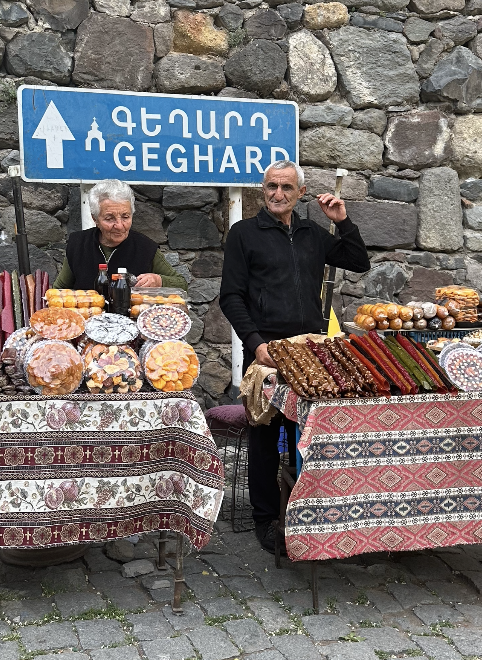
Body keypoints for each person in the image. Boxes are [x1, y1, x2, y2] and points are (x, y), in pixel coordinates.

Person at [220, 160, 371, 553]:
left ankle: (314, 514)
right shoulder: (244, 234)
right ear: (263, 189)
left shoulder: (311, 232)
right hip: (269, 350)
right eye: (271, 186)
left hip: (309, 349)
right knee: (266, 435)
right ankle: (266, 521)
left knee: (312, 434)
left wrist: (342, 220)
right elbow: (231, 296)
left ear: (300, 193)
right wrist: (256, 344)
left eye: (287, 188)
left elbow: (358, 260)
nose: (278, 194)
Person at [54, 179, 187, 291]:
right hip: (86, 319)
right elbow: (59, 289)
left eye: (125, 217)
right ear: (95, 219)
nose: (119, 225)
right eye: (109, 218)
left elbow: (182, 283)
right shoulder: (78, 244)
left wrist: (158, 280)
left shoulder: (145, 248)